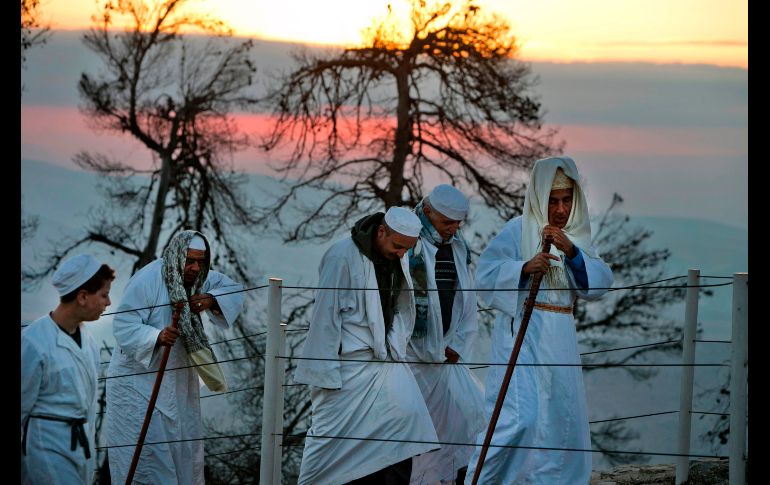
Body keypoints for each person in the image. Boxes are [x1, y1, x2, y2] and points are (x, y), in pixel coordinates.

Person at [466, 156, 614, 484]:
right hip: (522, 332)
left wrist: (573, 252)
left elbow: (601, 281)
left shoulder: (577, 236)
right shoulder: (516, 231)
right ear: (538, 197)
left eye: (566, 200)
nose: (561, 209)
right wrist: (522, 268)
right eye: (552, 200)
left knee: (559, 420)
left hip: (560, 339)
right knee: (519, 418)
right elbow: (486, 275)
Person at [295, 206, 439, 484]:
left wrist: (394, 346)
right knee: (331, 446)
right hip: (346, 367)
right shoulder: (341, 256)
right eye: (398, 246)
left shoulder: (399, 253)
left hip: (385, 361)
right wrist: (325, 376)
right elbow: (325, 318)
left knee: (405, 422)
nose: (401, 254)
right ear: (381, 231)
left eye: (406, 249)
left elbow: (402, 305)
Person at [106, 230, 244, 484]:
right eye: (189, 261)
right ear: (176, 256)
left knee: (183, 457)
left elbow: (234, 290)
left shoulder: (199, 279)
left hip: (178, 386)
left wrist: (211, 299)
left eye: (200, 262)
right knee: (149, 460)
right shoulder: (147, 279)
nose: (194, 267)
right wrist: (156, 337)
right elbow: (124, 325)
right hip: (139, 388)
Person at [406, 185, 485, 485]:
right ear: (427, 213)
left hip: (448, 357)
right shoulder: (409, 245)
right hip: (410, 358)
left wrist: (458, 346)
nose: (453, 229)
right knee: (415, 430)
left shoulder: (458, 248)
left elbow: (467, 302)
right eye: (446, 223)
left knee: (464, 421)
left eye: (457, 224)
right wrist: (422, 347)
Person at [21, 254, 115, 484]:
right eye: (103, 295)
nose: (109, 302)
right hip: (46, 449)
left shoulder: (89, 343)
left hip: (81, 449)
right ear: (82, 297)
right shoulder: (34, 343)